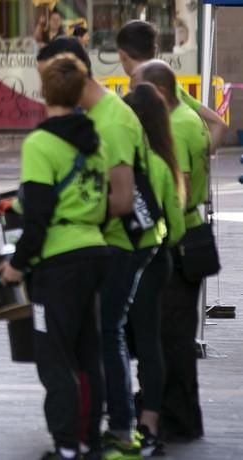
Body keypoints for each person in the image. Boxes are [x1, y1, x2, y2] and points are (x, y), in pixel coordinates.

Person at [37, 37, 157, 459]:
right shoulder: (95, 116)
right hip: (109, 241)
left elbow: (121, 199)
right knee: (100, 334)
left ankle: (121, 430)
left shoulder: (110, 121)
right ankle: (104, 425)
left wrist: (68, 218)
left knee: (106, 333)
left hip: (126, 240)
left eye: (47, 81)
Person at [0, 53, 108, 460]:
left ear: (44, 91)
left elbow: (38, 217)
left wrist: (17, 266)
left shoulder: (41, 144)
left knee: (54, 356)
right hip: (95, 251)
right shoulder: (95, 139)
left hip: (58, 261)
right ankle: (89, 439)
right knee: (87, 355)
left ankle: (65, 445)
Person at [131, 60, 210, 442]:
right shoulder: (188, 117)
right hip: (189, 237)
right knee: (174, 336)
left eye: (138, 90)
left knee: (171, 338)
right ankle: (180, 417)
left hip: (179, 245)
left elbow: (176, 197)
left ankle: (175, 420)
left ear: (157, 93)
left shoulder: (175, 129)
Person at [123, 82, 187, 456]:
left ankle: (122, 418)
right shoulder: (165, 164)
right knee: (150, 342)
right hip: (157, 261)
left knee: (118, 338)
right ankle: (149, 422)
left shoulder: (124, 158)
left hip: (125, 258)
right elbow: (175, 227)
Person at [116, 20, 226, 155]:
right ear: (154, 50)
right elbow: (218, 125)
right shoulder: (172, 87)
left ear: (122, 55)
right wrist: (198, 162)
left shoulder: (136, 98)